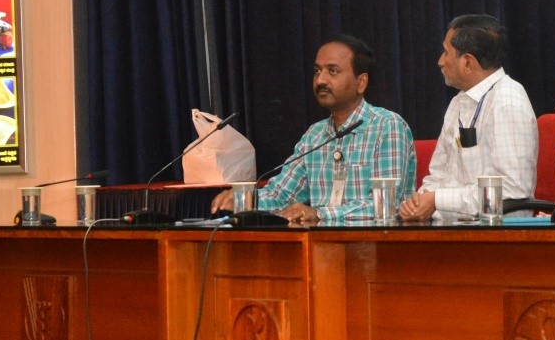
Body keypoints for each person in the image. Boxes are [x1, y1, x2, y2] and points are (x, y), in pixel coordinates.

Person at [212, 35, 415, 226]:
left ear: (361, 83)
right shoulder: (315, 136)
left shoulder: (387, 126)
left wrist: (320, 214)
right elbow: (281, 195)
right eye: (317, 71)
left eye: (332, 71)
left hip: (377, 245)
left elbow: (387, 206)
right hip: (319, 246)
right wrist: (244, 200)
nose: (320, 80)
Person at [399, 14, 537, 221]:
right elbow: (438, 175)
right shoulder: (459, 102)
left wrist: (437, 200)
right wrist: (419, 202)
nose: (440, 61)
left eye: (446, 53)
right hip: (451, 227)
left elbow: (512, 190)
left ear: (468, 62)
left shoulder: (507, 101)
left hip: (495, 232)